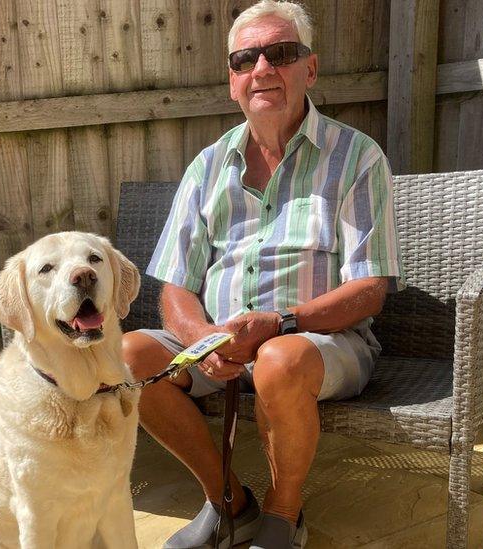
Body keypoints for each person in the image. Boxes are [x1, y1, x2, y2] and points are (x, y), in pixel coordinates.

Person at [121, 1, 404, 547]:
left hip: (319, 343)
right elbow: (176, 285)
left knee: (278, 357)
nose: (263, 68)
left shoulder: (356, 158)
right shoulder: (207, 166)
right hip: (223, 344)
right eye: (246, 58)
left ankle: (283, 514)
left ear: (310, 69)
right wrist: (202, 339)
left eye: (281, 53)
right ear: (233, 81)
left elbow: (370, 290)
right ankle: (229, 502)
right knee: (131, 356)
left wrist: (279, 322)